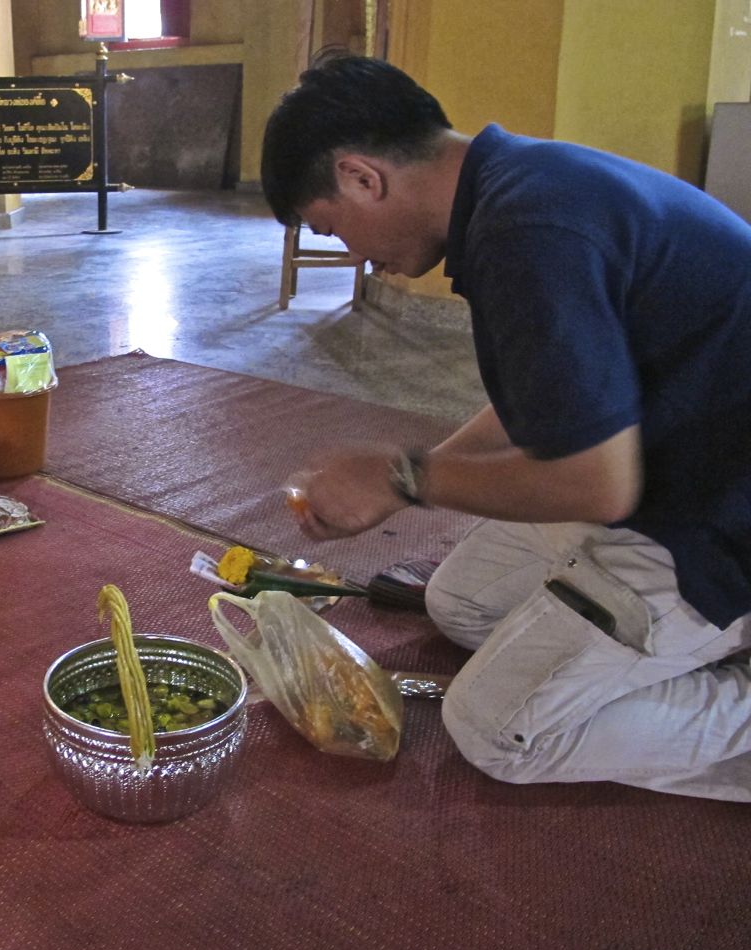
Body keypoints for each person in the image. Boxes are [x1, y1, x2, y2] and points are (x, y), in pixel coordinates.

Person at [261, 53, 751, 801]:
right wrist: (406, 480)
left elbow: (599, 484)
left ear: (364, 176)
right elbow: (555, 399)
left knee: (496, 730)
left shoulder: (529, 229)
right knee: (460, 603)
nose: (355, 256)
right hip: (671, 466)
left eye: (335, 229)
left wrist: (404, 478)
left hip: (714, 526)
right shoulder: (513, 186)